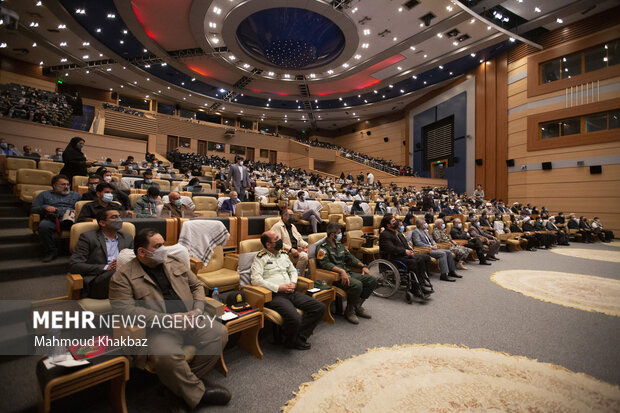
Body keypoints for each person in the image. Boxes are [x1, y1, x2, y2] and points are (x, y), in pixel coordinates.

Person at [109, 229, 230, 409]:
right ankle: (197, 392)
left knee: (219, 333)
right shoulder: (123, 277)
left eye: (163, 244)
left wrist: (197, 310)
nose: (164, 249)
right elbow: (124, 311)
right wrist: (169, 320)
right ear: (142, 252)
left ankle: (178, 387)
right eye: (158, 246)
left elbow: (196, 285)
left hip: (192, 318)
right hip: (159, 329)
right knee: (166, 357)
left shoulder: (174, 262)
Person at [250, 231, 325, 350]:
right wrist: (278, 287)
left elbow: (293, 271)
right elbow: (256, 280)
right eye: (276, 239)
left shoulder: (284, 254)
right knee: (295, 318)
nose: (280, 241)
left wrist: (293, 283)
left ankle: (298, 336)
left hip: (291, 291)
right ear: (268, 245)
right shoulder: (260, 258)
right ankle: (291, 341)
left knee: (319, 307)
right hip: (275, 295)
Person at [316, 223, 377, 324]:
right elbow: (325, 264)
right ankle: (349, 311)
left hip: (346, 273)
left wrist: (363, 266)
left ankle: (357, 306)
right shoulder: (322, 248)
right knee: (357, 285)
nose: (341, 235)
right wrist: (341, 271)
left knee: (372, 280)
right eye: (339, 233)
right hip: (334, 277)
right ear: (332, 235)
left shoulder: (339, 245)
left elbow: (350, 258)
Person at [70, 207, 133, 298]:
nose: (119, 220)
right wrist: (106, 267)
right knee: (117, 272)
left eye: (119, 216)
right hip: (99, 280)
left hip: (126, 277)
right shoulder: (88, 237)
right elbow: (75, 265)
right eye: (114, 217)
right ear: (102, 223)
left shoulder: (127, 238)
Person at [378, 215, 432, 299]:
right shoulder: (385, 234)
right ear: (388, 225)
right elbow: (390, 248)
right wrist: (405, 251)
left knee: (421, 258)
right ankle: (415, 288)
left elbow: (404, 244)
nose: (396, 222)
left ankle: (421, 284)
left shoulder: (396, 232)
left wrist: (409, 250)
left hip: (402, 255)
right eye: (393, 221)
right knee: (413, 262)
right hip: (393, 258)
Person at [30, 174, 81, 262]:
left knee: (84, 227)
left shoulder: (75, 195)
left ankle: (79, 253)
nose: (66, 187)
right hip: (53, 218)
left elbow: (83, 208)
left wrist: (77, 211)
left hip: (70, 218)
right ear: (54, 185)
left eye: (67, 184)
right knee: (44, 226)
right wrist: (45, 207)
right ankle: (51, 251)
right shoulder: (44, 194)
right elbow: (33, 209)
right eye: (63, 184)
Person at [271, 209, 309, 276]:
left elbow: (299, 240)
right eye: (290, 215)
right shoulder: (277, 226)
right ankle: (297, 275)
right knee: (304, 257)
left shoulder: (293, 226)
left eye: (293, 215)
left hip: (295, 250)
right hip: (285, 253)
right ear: (284, 216)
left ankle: (302, 274)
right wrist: (291, 249)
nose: (293, 217)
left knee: (311, 254)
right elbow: (277, 243)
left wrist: (307, 245)